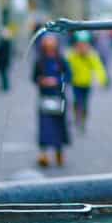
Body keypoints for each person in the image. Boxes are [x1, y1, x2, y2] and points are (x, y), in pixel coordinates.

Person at [32, 34, 71, 168]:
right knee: (44, 126)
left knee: (58, 125)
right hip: (45, 98)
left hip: (58, 97)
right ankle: (43, 154)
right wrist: (42, 81)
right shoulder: (40, 61)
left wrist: (58, 82)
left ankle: (59, 152)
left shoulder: (60, 60)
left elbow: (68, 77)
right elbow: (34, 78)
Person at [66, 31, 107, 131]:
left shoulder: (92, 55)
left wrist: (102, 80)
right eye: (80, 44)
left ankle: (83, 120)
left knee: (85, 103)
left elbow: (99, 68)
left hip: (87, 83)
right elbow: (65, 66)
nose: (82, 47)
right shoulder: (71, 55)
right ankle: (77, 116)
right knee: (77, 101)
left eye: (84, 44)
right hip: (75, 82)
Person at [0, 27, 13, 91]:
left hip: (3, 61)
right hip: (4, 61)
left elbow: (0, 51)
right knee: (4, 74)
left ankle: (5, 86)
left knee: (3, 74)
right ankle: (5, 86)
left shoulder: (4, 42)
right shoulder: (7, 42)